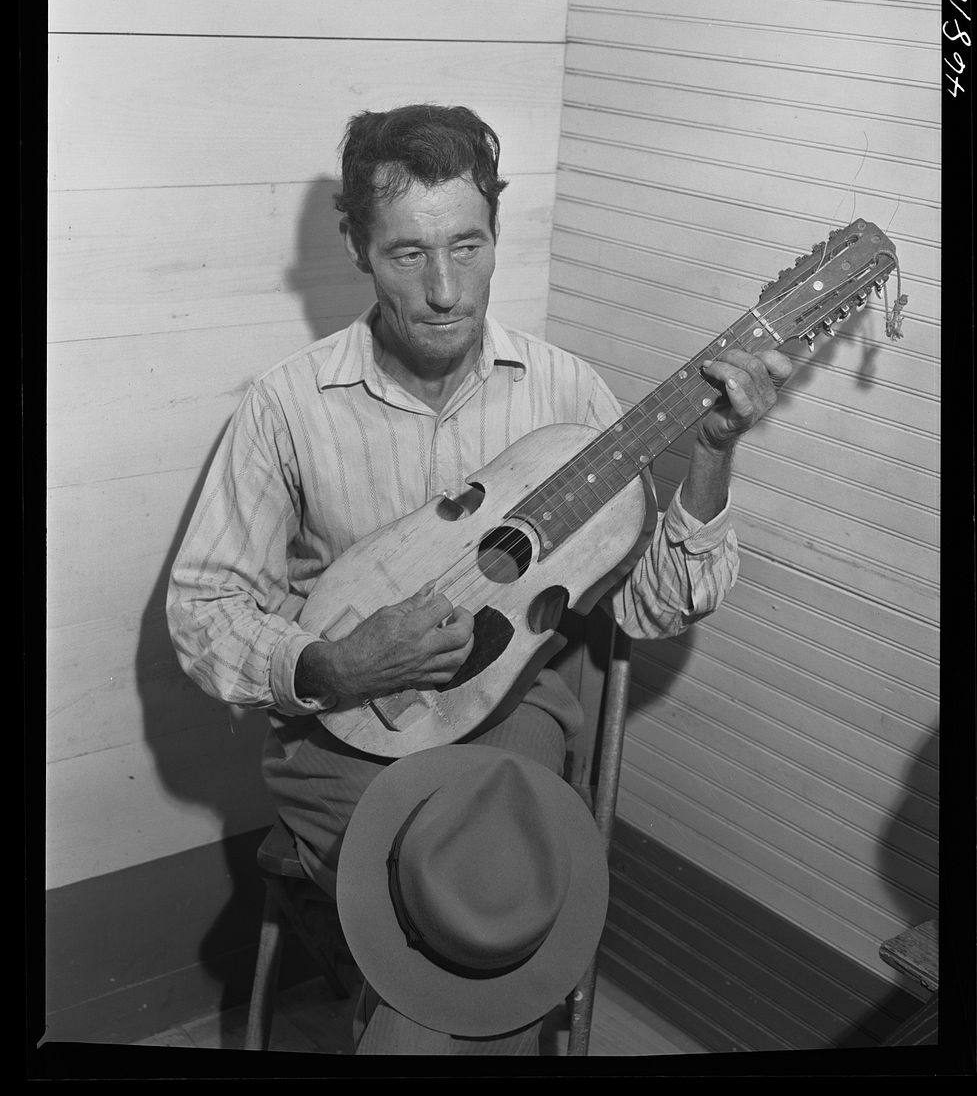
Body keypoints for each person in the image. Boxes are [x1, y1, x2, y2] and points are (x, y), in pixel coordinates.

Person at [167, 104, 793, 1054]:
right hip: (341, 737)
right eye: (408, 254)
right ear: (358, 248)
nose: (446, 289)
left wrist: (710, 455)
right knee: (426, 917)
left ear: (499, 236)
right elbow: (201, 608)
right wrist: (332, 667)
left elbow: (655, 604)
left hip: (509, 727)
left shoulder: (567, 398)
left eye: (467, 245)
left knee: (480, 905)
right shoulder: (288, 406)